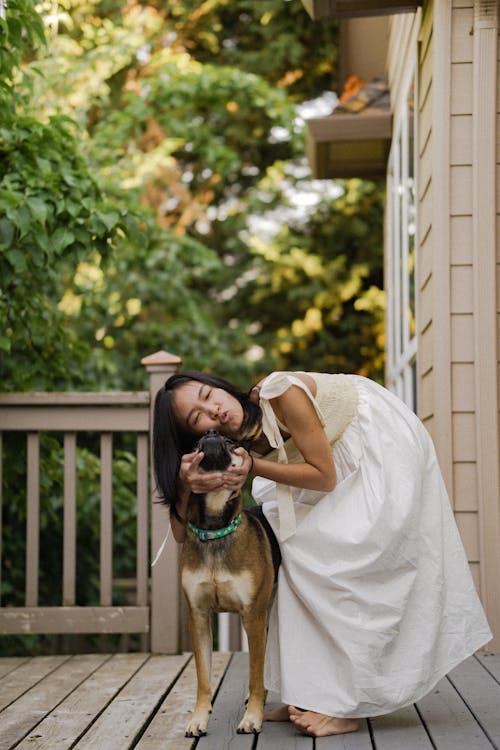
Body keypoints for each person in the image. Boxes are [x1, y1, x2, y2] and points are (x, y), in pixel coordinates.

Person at [153, 369, 492, 738]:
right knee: (297, 559)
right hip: (329, 460)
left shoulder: (280, 392)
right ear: (195, 435)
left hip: (375, 445)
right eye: (197, 417)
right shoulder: (229, 444)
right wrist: (186, 486)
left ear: (219, 386)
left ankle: (350, 705)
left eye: (208, 394)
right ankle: (314, 692)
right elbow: (181, 534)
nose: (213, 409)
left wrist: (252, 468)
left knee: (341, 565)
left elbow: (324, 475)